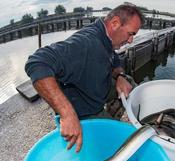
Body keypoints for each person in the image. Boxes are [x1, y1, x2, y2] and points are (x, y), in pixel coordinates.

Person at [25, 4, 144, 152]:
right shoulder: (85, 43)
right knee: (119, 147)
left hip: (99, 86)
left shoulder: (107, 37)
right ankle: (101, 127)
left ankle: (113, 111)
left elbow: (113, 58)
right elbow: (37, 62)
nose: (131, 40)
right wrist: (67, 114)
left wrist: (119, 76)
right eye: (130, 34)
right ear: (114, 23)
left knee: (130, 83)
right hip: (85, 109)